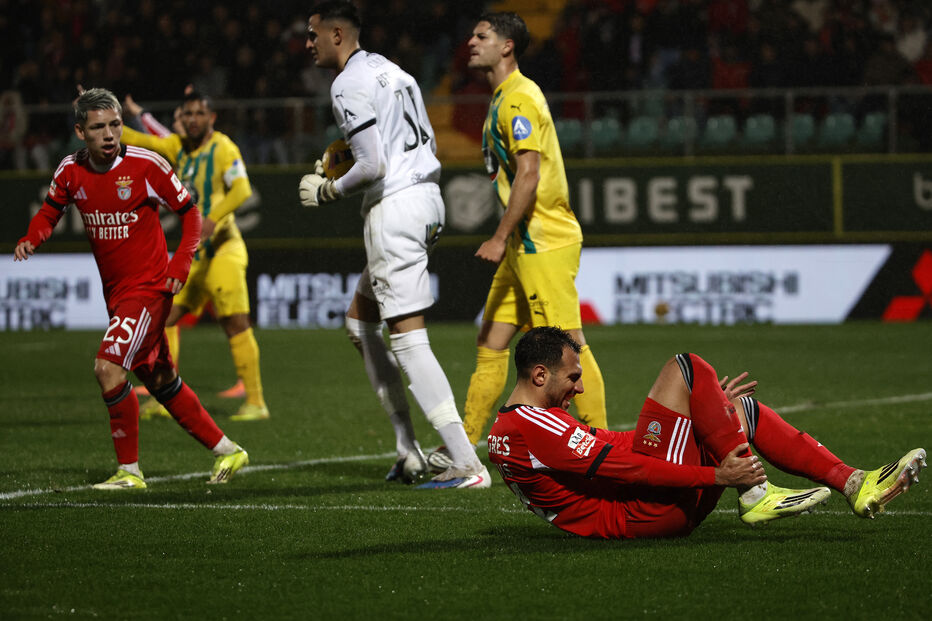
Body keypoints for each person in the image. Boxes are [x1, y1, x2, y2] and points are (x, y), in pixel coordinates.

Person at [13, 88, 249, 489]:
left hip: (150, 289)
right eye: (98, 127)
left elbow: (191, 216)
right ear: (80, 132)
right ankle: (228, 451)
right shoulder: (70, 170)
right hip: (117, 295)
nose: (109, 135)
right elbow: (51, 210)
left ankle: (130, 471)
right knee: (160, 381)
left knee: (107, 367)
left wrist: (180, 263)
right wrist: (33, 237)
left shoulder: (147, 165)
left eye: (115, 125)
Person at [488, 327, 927, 539]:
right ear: (540, 375)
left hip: (643, 512)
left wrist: (709, 414)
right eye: (573, 377)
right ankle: (755, 494)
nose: (580, 387)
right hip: (643, 514)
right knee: (687, 366)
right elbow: (630, 469)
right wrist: (718, 477)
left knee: (738, 409)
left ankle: (855, 483)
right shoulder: (533, 425)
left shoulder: (514, 426)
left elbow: (611, 447)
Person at [299, 0, 488, 489]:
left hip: (396, 209)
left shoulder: (347, 83)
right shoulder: (393, 70)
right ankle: (408, 451)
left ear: (337, 35)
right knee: (361, 325)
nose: (308, 43)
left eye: (313, 34)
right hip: (426, 199)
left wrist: (327, 189)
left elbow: (372, 165)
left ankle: (467, 464)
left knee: (407, 339)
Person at [430, 12, 607, 469]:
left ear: (506, 46)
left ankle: (602, 449)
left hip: (542, 240)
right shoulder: (502, 98)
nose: (471, 41)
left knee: (571, 346)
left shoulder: (519, 100)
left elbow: (528, 175)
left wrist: (499, 234)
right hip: (522, 247)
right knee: (490, 341)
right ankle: (465, 446)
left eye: (482, 35)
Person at [119, 89, 269, 421]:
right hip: (194, 256)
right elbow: (144, 141)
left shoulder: (223, 147)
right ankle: (163, 398)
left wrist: (213, 219)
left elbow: (242, 189)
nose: (193, 119)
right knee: (164, 318)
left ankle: (256, 402)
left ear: (211, 117)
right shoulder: (178, 147)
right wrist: (105, 123)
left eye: (199, 113)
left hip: (224, 250)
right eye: (187, 114)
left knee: (234, 322)